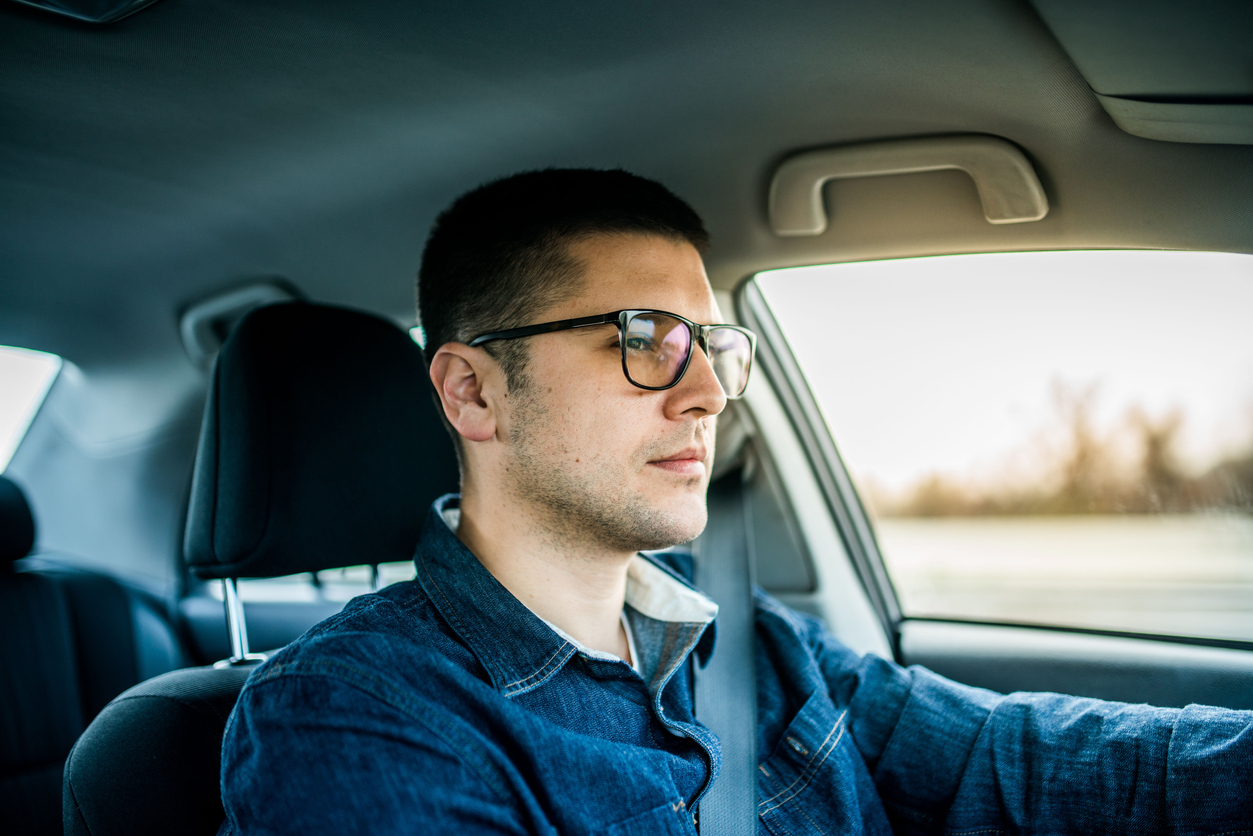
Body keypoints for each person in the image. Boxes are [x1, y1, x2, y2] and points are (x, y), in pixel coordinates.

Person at [219, 169, 1253, 834]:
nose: (707, 392)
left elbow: (1007, 757)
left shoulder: (751, 645)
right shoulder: (353, 716)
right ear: (471, 391)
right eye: (643, 338)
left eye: (712, 346)